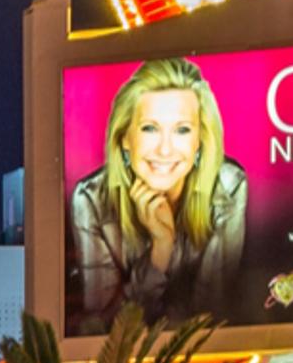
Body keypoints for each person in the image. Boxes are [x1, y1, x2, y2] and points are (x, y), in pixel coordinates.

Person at [69, 56, 248, 327]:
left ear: (199, 141)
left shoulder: (228, 186)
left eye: (182, 130)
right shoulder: (91, 199)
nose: (165, 149)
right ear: (125, 138)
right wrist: (159, 252)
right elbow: (104, 330)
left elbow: (212, 316)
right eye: (150, 128)